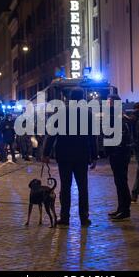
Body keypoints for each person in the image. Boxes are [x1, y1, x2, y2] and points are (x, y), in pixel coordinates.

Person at [42, 88, 98, 227]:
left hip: (64, 155)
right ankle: (84, 218)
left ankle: (65, 218)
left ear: (69, 98)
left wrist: (46, 153)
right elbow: (92, 137)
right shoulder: (88, 114)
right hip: (82, 155)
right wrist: (94, 155)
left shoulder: (60, 112)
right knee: (82, 188)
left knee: (65, 187)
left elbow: (51, 134)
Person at [105, 94, 132, 221]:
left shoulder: (119, 117)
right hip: (116, 153)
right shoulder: (115, 115)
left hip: (120, 153)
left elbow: (119, 136)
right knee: (118, 181)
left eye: (109, 102)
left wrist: (114, 150)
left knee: (121, 181)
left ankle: (125, 210)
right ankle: (121, 208)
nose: (106, 103)